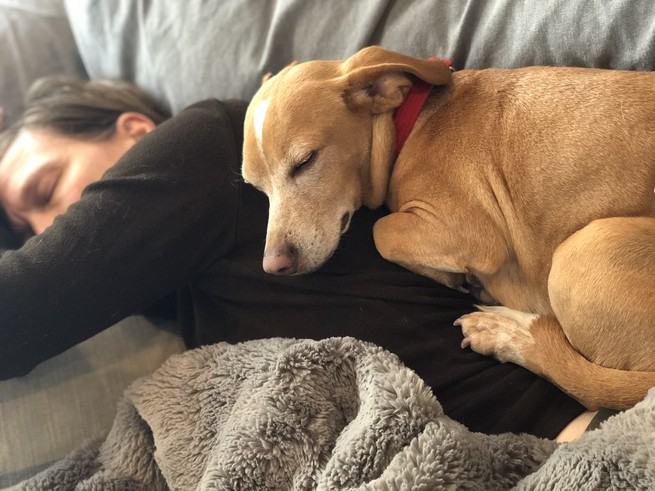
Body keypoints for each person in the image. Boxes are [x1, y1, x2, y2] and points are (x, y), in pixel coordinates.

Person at [0, 77, 587, 443]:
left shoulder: (200, 145)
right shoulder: (183, 294)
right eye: (26, 229)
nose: (49, 226)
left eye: (46, 186)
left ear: (134, 131)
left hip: (566, 425)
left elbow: (17, 312)